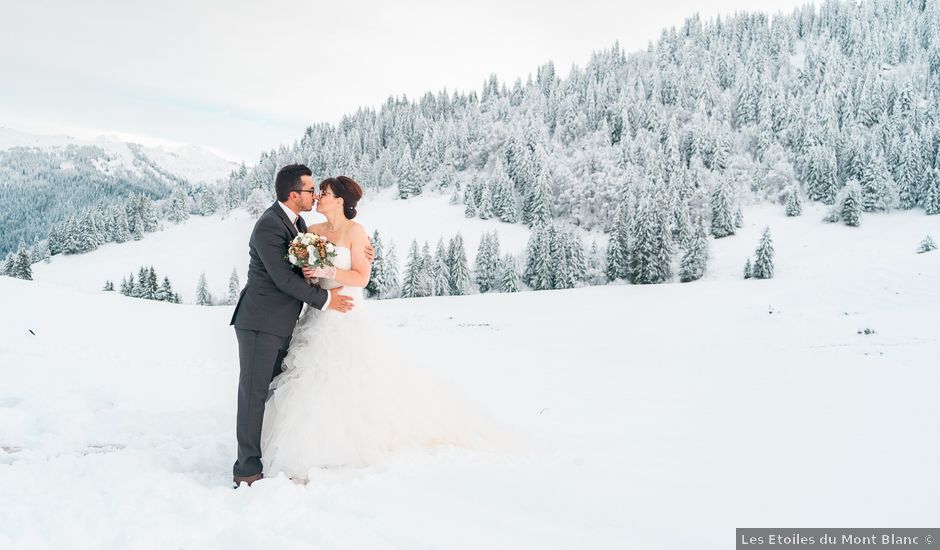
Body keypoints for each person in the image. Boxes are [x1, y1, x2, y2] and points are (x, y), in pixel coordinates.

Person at [261, 176, 503, 482]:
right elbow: (303, 270)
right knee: (310, 379)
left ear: (339, 201)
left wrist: (329, 270)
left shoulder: (356, 232)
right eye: (318, 191)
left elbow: (361, 277)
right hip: (321, 310)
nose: (319, 196)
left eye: (326, 193)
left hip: (346, 312)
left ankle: (347, 444)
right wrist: (310, 276)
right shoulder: (312, 231)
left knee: (351, 377)